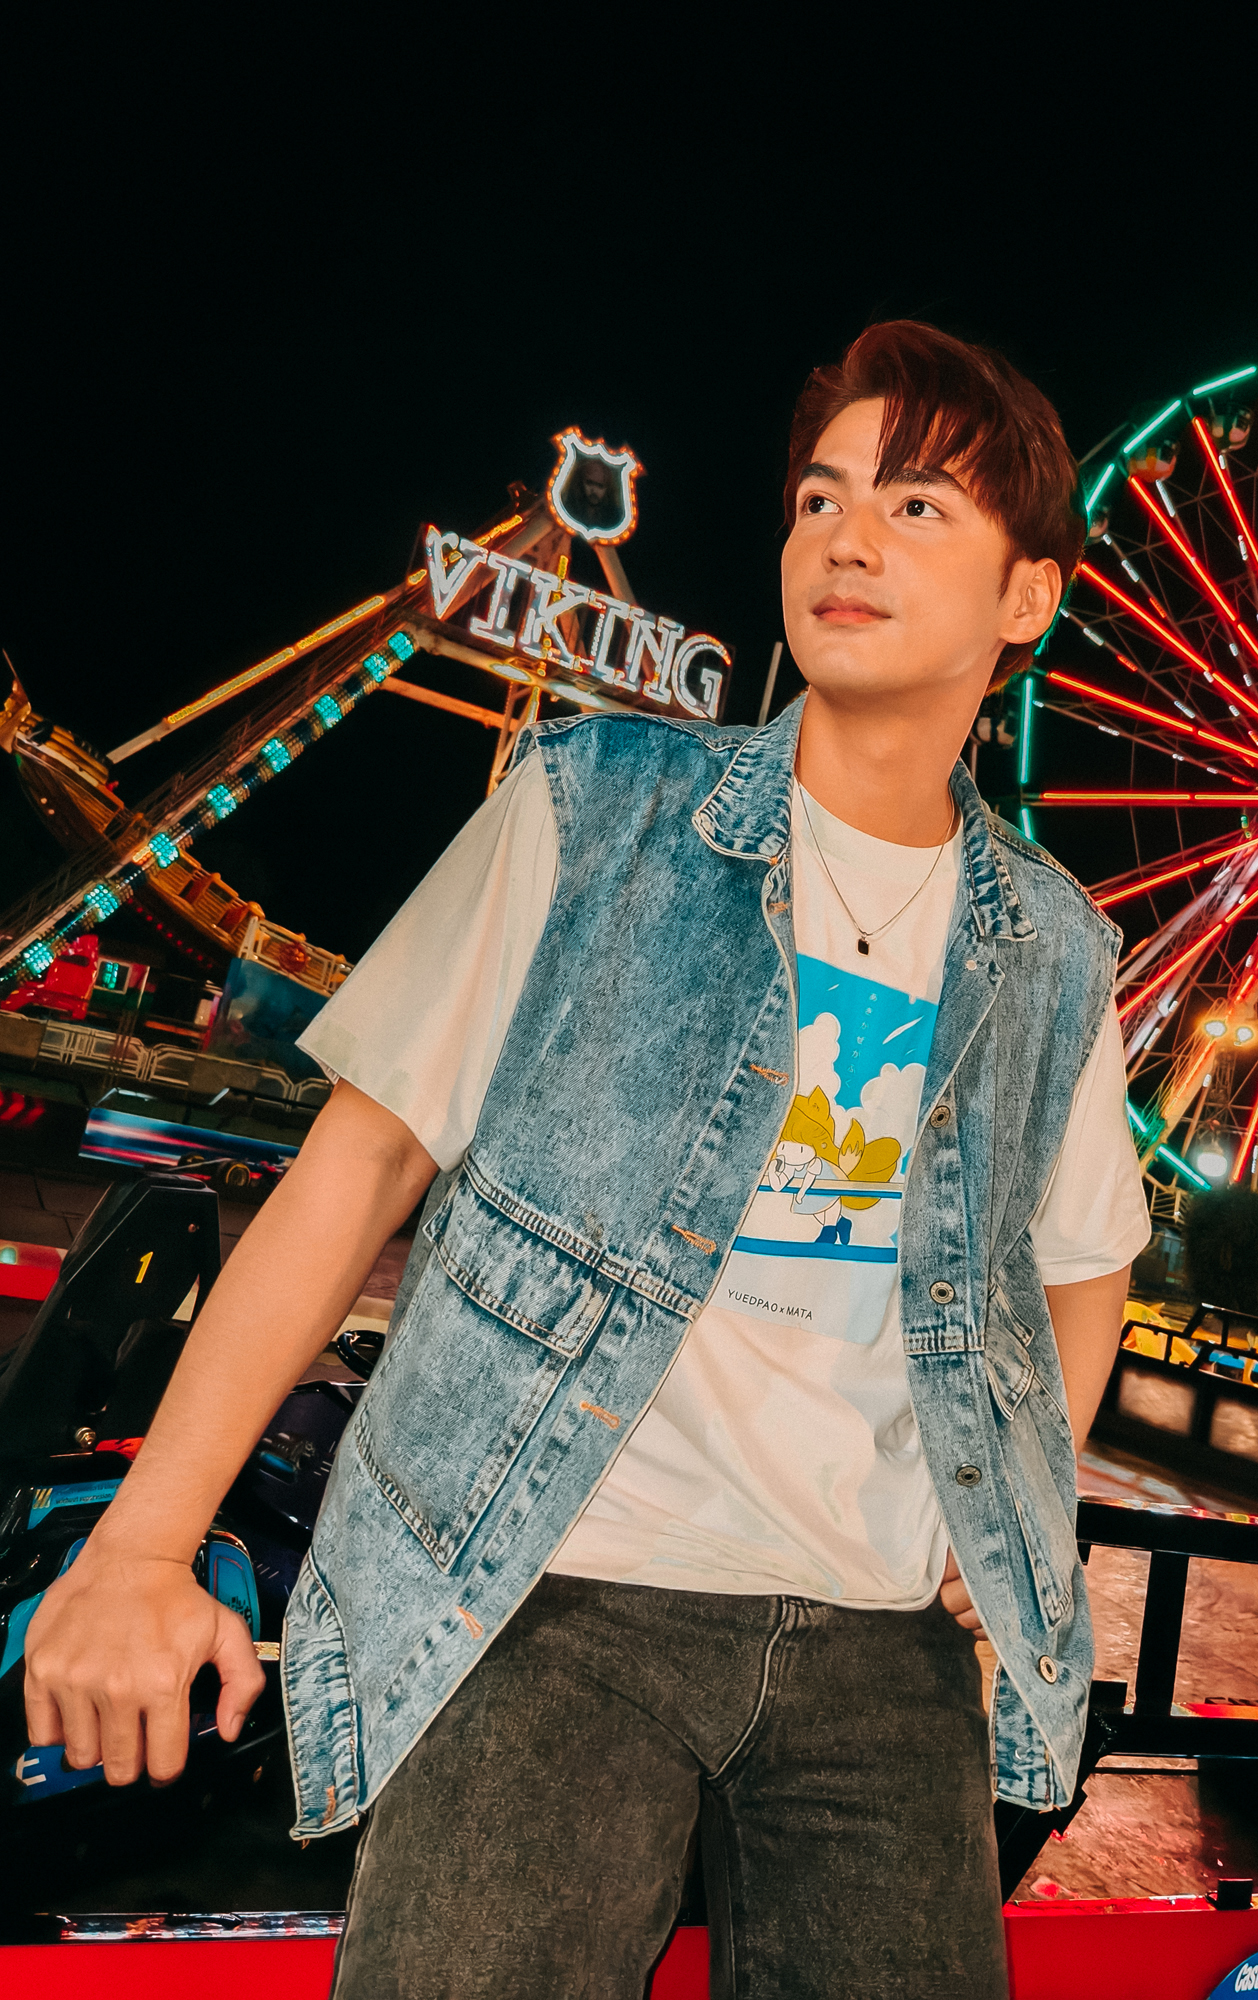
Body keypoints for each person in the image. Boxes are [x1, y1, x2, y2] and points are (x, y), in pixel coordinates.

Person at [25, 321, 1151, 1996]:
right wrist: (139, 1544)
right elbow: (356, 1170)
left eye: (915, 505)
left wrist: (994, 1532)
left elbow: (1083, 1267)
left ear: (1029, 596)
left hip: (876, 1636)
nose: (845, 537)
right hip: (551, 1589)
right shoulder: (593, 801)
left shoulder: (1055, 951)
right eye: (821, 497)